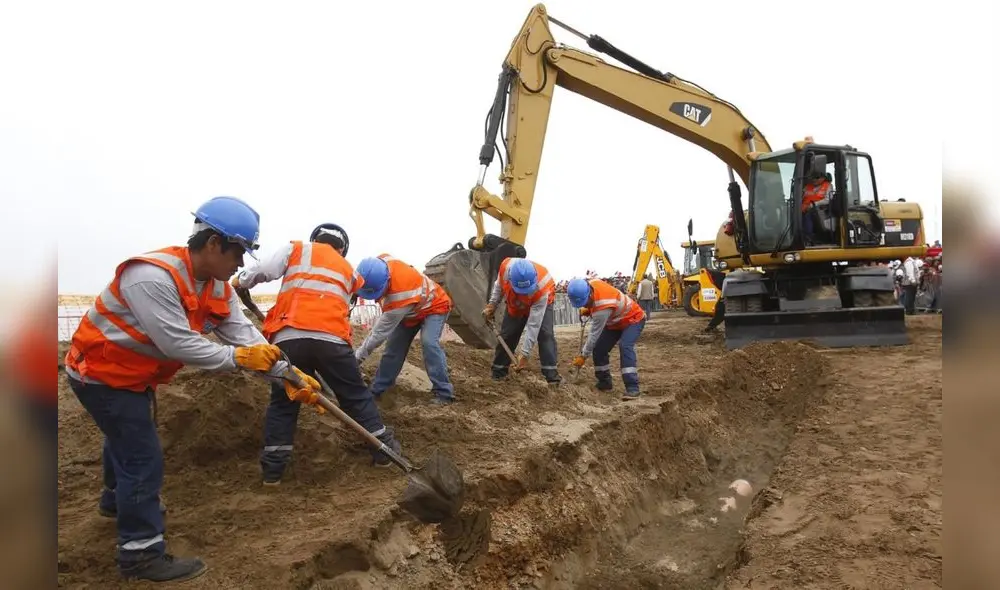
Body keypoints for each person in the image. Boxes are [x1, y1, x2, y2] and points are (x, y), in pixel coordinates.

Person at [63, 196, 322, 583]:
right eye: (239, 253)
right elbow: (177, 344)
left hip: (135, 376)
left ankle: (114, 502)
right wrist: (236, 360)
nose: (241, 264)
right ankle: (140, 554)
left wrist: (289, 377)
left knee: (127, 437)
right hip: (99, 374)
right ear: (214, 243)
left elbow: (248, 339)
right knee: (141, 457)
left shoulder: (217, 288)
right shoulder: (151, 277)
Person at [232, 223, 401, 485]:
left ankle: (273, 473)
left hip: (289, 338)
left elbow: (263, 271)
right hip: (333, 342)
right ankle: (385, 454)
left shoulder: (297, 249)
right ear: (342, 248)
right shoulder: (350, 272)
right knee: (355, 396)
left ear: (316, 238)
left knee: (284, 401)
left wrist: (239, 280)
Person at [352, 254, 456, 404]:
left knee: (429, 343)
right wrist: (355, 291)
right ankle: (378, 390)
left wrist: (357, 358)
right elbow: (362, 277)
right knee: (393, 349)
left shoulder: (400, 295)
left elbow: (378, 334)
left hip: (434, 306)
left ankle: (444, 393)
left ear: (387, 282)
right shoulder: (380, 263)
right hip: (411, 310)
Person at [481, 257, 562, 385]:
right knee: (508, 334)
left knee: (545, 334)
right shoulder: (505, 269)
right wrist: (492, 305)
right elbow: (499, 286)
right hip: (516, 303)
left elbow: (533, 325)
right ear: (511, 279)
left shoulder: (542, 287)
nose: (525, 294)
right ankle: (499, 371)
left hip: (541, 303)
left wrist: (525, 354)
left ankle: (551, 376)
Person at [566, 277, 647, 400]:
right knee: (599, 349)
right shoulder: (592, 283)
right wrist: (589, 308)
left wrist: (583, 356)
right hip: (615, 322)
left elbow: (594, 335)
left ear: (589, 294)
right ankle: (604, 382)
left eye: (585, 302)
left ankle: (632, 388)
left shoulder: (602, 307)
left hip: (633, 319)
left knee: (625, 346)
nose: (584, 305)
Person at [802, 170, 832, 242]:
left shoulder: (828, 186)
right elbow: (801, 196)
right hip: (803, 207)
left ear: (822, 178)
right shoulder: (808, 186)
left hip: (819, 209)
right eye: (813, 178)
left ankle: (809, 237)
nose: (814, 180)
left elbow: (827, 200)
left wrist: (813, 204)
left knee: (808, 214)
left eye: (816, 178)